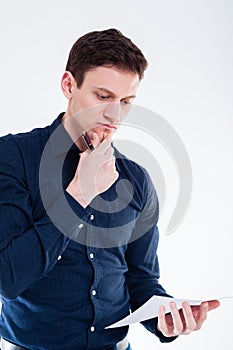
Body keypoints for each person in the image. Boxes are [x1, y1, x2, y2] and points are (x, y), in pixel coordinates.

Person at [0, 28, 219, 350]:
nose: (114, 115)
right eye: (102, 97)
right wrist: (79, 195)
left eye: (126, 101)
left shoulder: (137, 179)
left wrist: (166, 318)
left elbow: (141, 279)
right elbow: (8, 278)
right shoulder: (12, 158)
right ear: (69, 85)